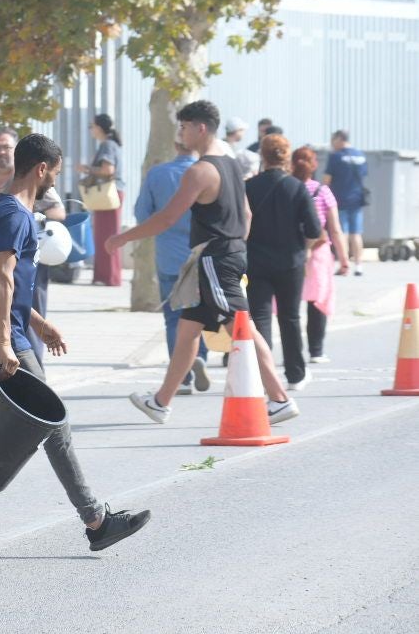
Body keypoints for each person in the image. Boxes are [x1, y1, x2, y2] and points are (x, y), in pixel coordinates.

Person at [0, 133, 151, 555]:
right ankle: (96, 520)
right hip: (4, 344)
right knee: (55, 425)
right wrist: (6, 342)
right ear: (41, 169)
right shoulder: (15, 215)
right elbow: (1, 277)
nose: (55, 178)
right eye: (53, 170)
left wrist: (38, 321)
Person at [108, 100, 299, 424]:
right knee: (188, 330)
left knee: (241, 327)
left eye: (183, 127)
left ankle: (279, 398)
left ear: (200, 128)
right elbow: (248, 214)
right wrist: (236, 245)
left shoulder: (200, 171)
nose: (179, 133)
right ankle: (160, 401)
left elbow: (167, 218)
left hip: (214, 259)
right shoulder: (231, 165)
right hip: (225, 255)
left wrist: (123, 238)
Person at [244, 135, 323, 391]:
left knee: (260, 317)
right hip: (290, 261)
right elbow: (314, 229)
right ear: (286, 156)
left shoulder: (249, 187)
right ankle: (295, 373)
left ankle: (261, 375)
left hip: (256, 260)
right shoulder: (297, 187)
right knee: (290, 317)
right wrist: (303, 248)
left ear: (263, 157)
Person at [134, 139, 210, 395]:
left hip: (168, 254)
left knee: (173, 317)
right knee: (200, 312)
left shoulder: (157, 174)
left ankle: (182, 377)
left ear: (175, 146)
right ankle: (199, 355)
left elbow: (142, 214)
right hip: (201, 253)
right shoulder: (208, 172)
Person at [0, 127, 63, 316]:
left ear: (15, 150)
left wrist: (28, 220)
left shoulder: (33, 180)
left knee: (27, 312)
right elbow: (1, 279)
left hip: (26, 259)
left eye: (6, 147)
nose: (1, 152)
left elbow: (58, 212)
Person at [295, 146, 351, 364]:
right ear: (314, 165)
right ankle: (316, 351)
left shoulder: (287, 187)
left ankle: (293, 351)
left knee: (289, 306)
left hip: (292, 250)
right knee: (317, 301)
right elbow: (335, 229)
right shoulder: (323, 191)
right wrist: (345, 260)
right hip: (318, 251)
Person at [81, 113, 124, 287]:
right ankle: (105, 275)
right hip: (110, 194)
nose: (91, 130)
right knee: (104, 235)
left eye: (92, 126)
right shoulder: (111, 145)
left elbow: (108, 169)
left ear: (99, 127)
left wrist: (87, 169)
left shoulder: (107, 145)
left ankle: (109, 276)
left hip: (108, 194)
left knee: (106, 236)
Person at [324, 130, 368, 276]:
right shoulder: (360, 155)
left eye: (333, 140)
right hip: (357, 199)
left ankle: (345, 265)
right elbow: (363, 176)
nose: (332, 144)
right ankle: (359, 265)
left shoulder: (335, 157)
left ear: (339, 139)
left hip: (339, 200)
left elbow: (326, 181)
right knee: (356, 233)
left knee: (341, 232)